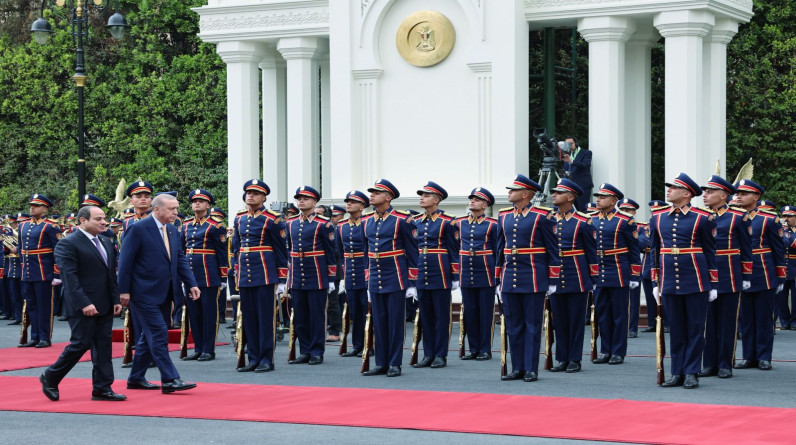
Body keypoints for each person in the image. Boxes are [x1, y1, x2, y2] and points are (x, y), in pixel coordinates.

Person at [40, 206, 125, 402]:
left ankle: (103, 388)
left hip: (104, 303)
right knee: (81, 343)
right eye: (98, 219)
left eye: (104, 218)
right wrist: (84, 303)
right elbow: (70, 278)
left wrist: (115, 299)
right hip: (82, 305)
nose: (104, 222)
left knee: (103, 346)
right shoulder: (68, 244)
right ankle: (51, 376)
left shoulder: (105, 240)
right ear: (82, 221)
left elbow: (110, 274)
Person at [117, 193, 200, 394]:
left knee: (148, 336)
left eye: (176, 208)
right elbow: (125, 262)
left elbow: (179, 259)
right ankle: (170, 379)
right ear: (156, 209)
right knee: (158, 333)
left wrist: (191, 283)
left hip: (166, 292)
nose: (176, 212)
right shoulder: (137, 229)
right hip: (143, 293)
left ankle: (136, 378)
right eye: (171, 209)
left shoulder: (172, 230)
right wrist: (124, 291)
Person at [650, 173, 717, 389]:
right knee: (676, 329)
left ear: (687, 193)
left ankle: (691, 371)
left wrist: (712, 283)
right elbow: (654, 251)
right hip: (669, 280)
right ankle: (676, 371)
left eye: (674, 187)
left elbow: (710, 252)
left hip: (695, 279)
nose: (668, 190)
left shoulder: (702, 218)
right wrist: (655, 281)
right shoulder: (658, 218)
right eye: (669, 187)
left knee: (695, 329)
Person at [496, 174, 559, 382]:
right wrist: (498, 277)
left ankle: (531, 368)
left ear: (525, 194)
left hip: (533, 276)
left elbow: (552, 249)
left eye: (513, 190)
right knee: (514, 325)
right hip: (510, 277)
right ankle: (518, 368)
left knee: (532, 325)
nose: (509, 193)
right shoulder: (504, 216)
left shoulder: (543, 216)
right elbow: (499, 249)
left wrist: (552, 280)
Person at [361, 179, 418, 377]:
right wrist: (367, 279)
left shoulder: (403, 220)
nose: (372, 195)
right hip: (376, 276)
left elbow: (412, 252)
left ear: (388, 197)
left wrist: (412, 282)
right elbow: (366, 251)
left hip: (395, 275)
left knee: (395, 322)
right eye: (371, 192)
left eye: (376, 192)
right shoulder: (366, 220)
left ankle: (394, 362)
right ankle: (381, 362)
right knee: (379, 321)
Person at [232, 179, 288, 373]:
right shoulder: (239, 217)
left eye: (255, 193)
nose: (251, 196)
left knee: (265, 318)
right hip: (246, 274)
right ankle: (253, 357)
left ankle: (266, 359)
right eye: (248, 192)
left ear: (264, 197)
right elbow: (236, 247)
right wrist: (236, 271)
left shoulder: (273, 219)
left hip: (265, 272)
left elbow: (281, 251)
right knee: (249, 318)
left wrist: (281, 279)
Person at [699, 176, 752, 379]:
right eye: (705, 192)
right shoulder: (702, 216)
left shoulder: (738, 217)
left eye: (710, 192)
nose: (705, 195)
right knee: (707, 322)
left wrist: (746, 274)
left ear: (723, 195)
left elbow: (747, 248)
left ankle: (725, 363)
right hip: (705, 274)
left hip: (729, 274)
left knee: (727, 322)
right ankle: (709, 363)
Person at [733, 179, 785, 371]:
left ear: (756, 197)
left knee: (764, 318)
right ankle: (748, 356)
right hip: (740, 273)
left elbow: (778, 250)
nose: (739, 196)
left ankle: (764, 356)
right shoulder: (735, 217)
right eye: (737, 193)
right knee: (746, 318)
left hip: (763, 272)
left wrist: (780, 277)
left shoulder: (769, 219)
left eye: (744, 194)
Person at [549, 179, 597, 373]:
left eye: (559, 193)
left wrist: (593, 279)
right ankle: (562, 357)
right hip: (555, 276)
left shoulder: (583, 222)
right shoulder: (549, 219)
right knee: (558, 320)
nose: (554, 195)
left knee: (576, 320)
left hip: (576, 276)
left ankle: (575, 358)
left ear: (570, 197)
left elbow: (592, 253)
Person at [285, 186, 337, 366]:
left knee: (316, 315)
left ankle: (316, 351)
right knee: (300, 316)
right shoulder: (290, 223)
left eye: (306, 198)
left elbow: (331, 253)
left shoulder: (324, 224)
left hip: (317, 274)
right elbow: (289, 250)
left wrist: (331, 278)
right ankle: (304, 350)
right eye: (299, 198)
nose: (301, 201)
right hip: (298, 275)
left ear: (314, 202)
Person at [591, 183, 640, 366]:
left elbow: (634, 250)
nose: (598, 200)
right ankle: (606, 349)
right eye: (597, 197)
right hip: (600, 270)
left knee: (619, 314)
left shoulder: (625, 220)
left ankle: (618, 351)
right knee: (603, 313)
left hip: (619, 270)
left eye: (602, 197)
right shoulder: (592, 219)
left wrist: (635, 275)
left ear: (613, 201)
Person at [413, 182, 459, 370]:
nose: (422, 198)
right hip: (421, 271)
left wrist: (455, 276)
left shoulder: (448, 222)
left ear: (436, 199)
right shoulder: (415, 221)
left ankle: (440, 354)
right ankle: (428, 353)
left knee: (441, 317)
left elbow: (454, 250)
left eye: (426, 195)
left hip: (440, 271)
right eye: (421, 195)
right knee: (426, 316)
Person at [179, 189, 228, 362]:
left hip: (209, 275)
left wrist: (223, 278)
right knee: (195, 314)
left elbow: (222, 253)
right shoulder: (185, 225)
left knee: (209, 314)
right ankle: (198, 348)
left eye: (201, 201)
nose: (197, 203)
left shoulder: (215, 226)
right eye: (194, 201)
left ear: (208, 205)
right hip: (191, 275)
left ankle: (209, 349)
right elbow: (181, 251)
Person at [454, 187, 499, 361]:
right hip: (466, 272)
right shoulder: (459, 223)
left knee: (485, 312)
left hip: (486, 272)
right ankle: (473, 348)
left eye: (477, 199)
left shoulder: (493, 225)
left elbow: (497, 251)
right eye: (471, 199)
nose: (472, 201)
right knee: (470, 312)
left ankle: (485, 348)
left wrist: (497, 276)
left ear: (485, 205)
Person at [18, 194, 62, 348]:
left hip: (44, 272)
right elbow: (20, 249)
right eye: (31, 205)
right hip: (28, 272)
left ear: (44, 209)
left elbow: (58, 250)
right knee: (31, 306)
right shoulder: (22, 225)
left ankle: (45, 337)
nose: (32, 207)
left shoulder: (50, 226)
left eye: (36, 206)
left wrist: (56, 273)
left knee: (44, 306)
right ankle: (34, 336)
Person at [336, 191, 370, 357]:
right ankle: (357, 345)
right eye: (347, 201)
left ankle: (370, 344)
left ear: (362, 206)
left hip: (364, 268)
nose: (348, 204)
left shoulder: (367, 222)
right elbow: (339, 251)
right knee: (355, 310)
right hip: (350, 270)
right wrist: (343, 272)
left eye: (353, 202)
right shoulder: (341, 226)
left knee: (367, 310)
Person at [640, 201, 669, 333]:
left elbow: (652, 244)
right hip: (648, 265)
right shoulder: (646, 227)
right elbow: (643, 243)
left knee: (665, 296)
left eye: (656, 211)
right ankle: (652, 323)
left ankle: (667, 323)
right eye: (652, 211)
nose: (653, 213)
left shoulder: (664, 225)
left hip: (663, 263)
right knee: (651, 296)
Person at [617, 198, 642, 338]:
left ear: (634, 212)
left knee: (632, 301)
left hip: (632, 267)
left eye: (629, 210)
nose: (626, 212)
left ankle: (632, 327)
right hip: (618, 267)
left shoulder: (641, 227)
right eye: (623, 210)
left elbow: (643, 242)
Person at [561, 137, 593, 212]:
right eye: (566, 144)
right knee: (570, 209)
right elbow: (566, 170)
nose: (569, 146)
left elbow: (586, 165)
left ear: (576, 143)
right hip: (570, 187)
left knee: (582, 209)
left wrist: (571, 161)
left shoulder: (586, 153)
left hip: (583, 186)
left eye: (570, 143)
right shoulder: (566, 154)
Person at [779, 206, 796, 330]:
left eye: (789, 216)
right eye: (784, 216)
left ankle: (794, 321)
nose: (786, 219)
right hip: (782, 266)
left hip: (795, 266)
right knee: (781, 297)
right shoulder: (778, 230)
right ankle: (784, 321)